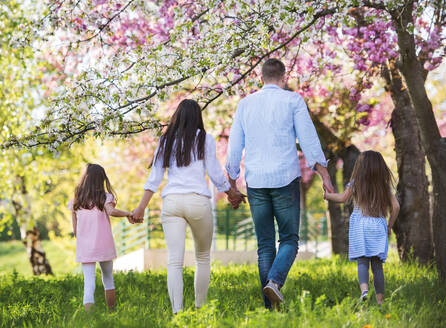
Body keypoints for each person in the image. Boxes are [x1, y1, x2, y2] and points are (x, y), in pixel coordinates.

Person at [225, 58, 333, 310]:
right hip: (285, 179)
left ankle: (269, 308)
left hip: (256, 181)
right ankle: (274, 282)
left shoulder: (245, 104)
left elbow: (234, 147)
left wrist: (231, 183)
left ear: (260, 78)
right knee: (289, 240)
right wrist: (324, 174)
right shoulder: (293, 100)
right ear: (284, 78)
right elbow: (308, 139)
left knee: (264, 244)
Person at [131, 99, 243, 314]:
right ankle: (199, 308)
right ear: (197, 118)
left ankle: (178, 312)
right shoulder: (205, 140)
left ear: (177, 117)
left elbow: (154, 178)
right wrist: (232, 194)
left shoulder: (166, 141)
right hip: (197, 201)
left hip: (172, 202)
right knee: (202, 258)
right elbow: (216, 174)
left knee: (174, 261)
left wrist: (140, 208)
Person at [324, 150, 400, 305]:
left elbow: (342, 198)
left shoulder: (356, 184)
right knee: (377, 266)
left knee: (362, 262)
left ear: (360, 167)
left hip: (360, 226)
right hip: (378, 226)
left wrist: (327, 196)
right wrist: (389, 226)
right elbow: (396, 207)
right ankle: (380, 302)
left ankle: (364, 291)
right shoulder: (384, 186)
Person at [70, 163, 133, 311]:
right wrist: (128, 214)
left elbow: (75, 229)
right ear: (101, 180)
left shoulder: (77, 200)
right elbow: (112, 212)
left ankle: (89, 319)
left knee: (89, 283)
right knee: (108, 279)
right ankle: (111, 311)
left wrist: (82, 238)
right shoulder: (105, 197)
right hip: (103, 245)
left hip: (85, 247)